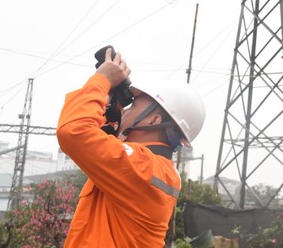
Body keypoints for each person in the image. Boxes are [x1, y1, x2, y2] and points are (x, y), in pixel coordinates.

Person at [57, 48, 206, 247]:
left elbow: (75, 131)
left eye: (132, 107)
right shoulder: (153, 169)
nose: (126, 112)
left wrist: (102, 79)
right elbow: (102, 144)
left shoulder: (145, 167)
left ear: (154, 120)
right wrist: (113, 109)